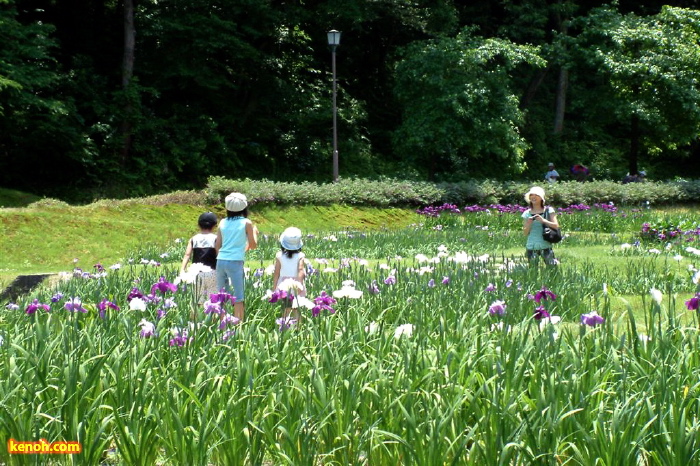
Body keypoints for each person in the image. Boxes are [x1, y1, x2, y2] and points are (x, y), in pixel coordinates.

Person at [216, 192, 258, 321]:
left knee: (222, 295)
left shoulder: (222, 222)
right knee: (238, 296)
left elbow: (218, 245)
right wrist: (255, 232)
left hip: (221, 260)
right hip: (235, 262)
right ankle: (238, 325)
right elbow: (253, 244)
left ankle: (222, 324)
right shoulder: (247, 223)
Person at [179, 212, 219, 304]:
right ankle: (212, 318)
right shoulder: (216, 238)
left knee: (197, 301)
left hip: (196, 274)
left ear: (198, 225)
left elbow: (187, 255)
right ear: (214, 226)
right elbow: (218, 254)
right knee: (213, 301)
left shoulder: (194, 239)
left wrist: (182, 269)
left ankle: (196, 317)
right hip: (212, 272)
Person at [272, 226, 307, 319]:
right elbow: (300, 270)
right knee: (296, 307)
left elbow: (276, 273)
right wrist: (299, 285)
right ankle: (298, 327)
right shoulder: (300, 255)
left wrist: (274, 287)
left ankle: (285, 326)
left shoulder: (279, 255)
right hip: (295, 283)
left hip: (284, 285)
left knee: (286, 306)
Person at [522, 186, 560, 266]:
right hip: (531, 246)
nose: (533, 197)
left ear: (541, 198)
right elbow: (525, 233)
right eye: (531, 195)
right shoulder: (526, 213)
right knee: (533, 271)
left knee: (552, 269)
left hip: (545, 245)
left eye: (536, 195)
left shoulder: (549, 210)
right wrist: (529, 223)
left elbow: (556, 226)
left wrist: (543, 220)